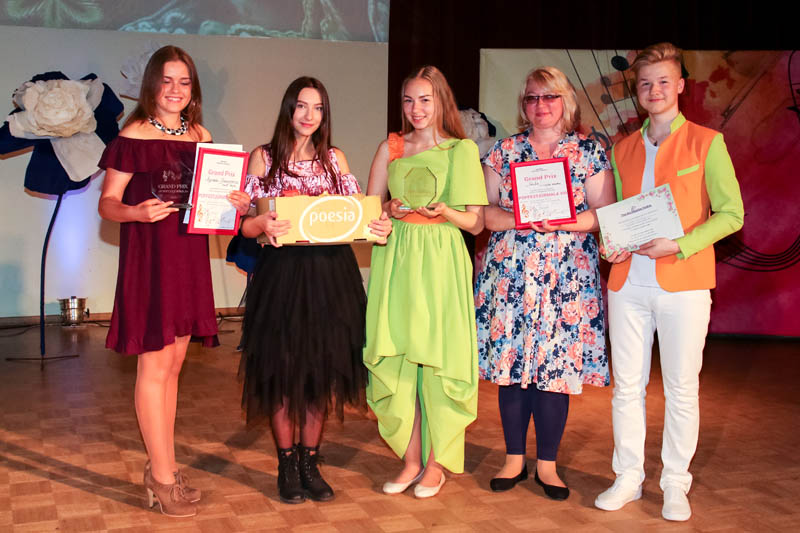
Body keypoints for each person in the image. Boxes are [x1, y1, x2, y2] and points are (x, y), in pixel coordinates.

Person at [594, 43, 744, 521]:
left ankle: (676, 483)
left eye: (663, 81)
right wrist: (611, 245)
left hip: (685, 283)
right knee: (626, 388)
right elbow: (616, 217)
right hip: (627, 285)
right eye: (645, 83)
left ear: (680, 85)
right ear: (636, 91)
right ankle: (628, 477)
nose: (654, 90)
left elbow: (732, 215)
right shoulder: (622, 149)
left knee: (681, 388)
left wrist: (679, 244)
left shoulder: (707, 142)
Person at [98, 45, 250, 517]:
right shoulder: (132, 136)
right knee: (154, 365)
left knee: (175, 364)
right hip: (150, 260)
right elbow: (107, 204)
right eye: (166, 80)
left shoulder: (202, 136)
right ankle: (162, 478)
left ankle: (162, 465)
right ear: (151, 85)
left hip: (188, 258)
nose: (175, 90)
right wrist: (136, 213)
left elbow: (212, 203)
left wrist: (236, 204)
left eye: (184, 81)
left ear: (193, 89)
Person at [237, 76, 391, 504]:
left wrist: (379, 224)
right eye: (302, 106)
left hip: (330, 276)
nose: (309, 115)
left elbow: (358, 215)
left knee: (319, 372)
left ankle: (310, 461)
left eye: (318, 107)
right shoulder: (263, 157)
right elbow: (245, 226)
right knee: (283, 372)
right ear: (288, 109)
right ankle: (287, 464)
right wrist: (258, 224)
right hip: (281, 278)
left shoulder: (335, 159)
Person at [474, 66, 616, 500]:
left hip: (566, 279)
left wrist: (563, 221)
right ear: (524, 105)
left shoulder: (588, 151)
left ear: (566, 101)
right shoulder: (505, 150)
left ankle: (548, 466)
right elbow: (483, 214)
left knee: (555, 370)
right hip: (512, 276)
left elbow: (604, 214)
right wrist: (522, 219)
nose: (541, 105)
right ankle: (514, 459)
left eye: (550, 96)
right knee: (513, 368)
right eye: (532, 98)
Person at [363, 65, 487, 499]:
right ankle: (411, 461)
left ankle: (436, 465)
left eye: (425, 100)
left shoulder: (461, 150)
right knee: (399, 361)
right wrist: (389, 211)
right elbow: (369, 209)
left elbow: (475, 222)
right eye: (408, 100)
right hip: (396, 258)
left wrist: (444, 211)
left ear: (441, 102)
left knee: (437, 361)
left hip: (441, 260)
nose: (416, 109)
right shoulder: (391, 147)